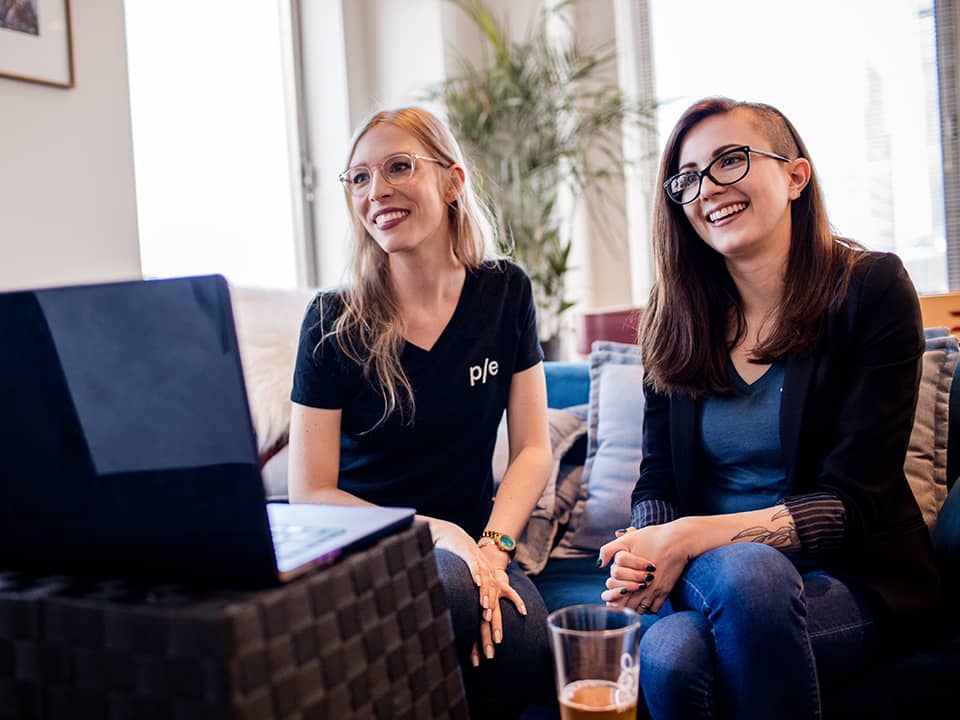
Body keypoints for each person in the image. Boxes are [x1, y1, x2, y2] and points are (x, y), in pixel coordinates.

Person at [597, 97, 940, 720]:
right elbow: (659, 478)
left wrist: (689, 534)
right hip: (706, 577)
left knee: (683, 653)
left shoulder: (872, 290)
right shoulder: (672, 317)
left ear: (795, 176)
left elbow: (855, 501)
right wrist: (647, 543)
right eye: (688, 178)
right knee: (729, 591)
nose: (708, 189)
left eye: (731, 161)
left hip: (850, 577)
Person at [287, 106, 555, 718]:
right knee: (453, 597)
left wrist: (492, 547)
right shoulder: (332, 320)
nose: (376, 191)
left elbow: (533, 448)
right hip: (372, 547)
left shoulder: (504, 291)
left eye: (398, 167)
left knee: (522, 650)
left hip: (478, 546)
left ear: (452, 181)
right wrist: (437, 531)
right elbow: (310, 491)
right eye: (358, 177)